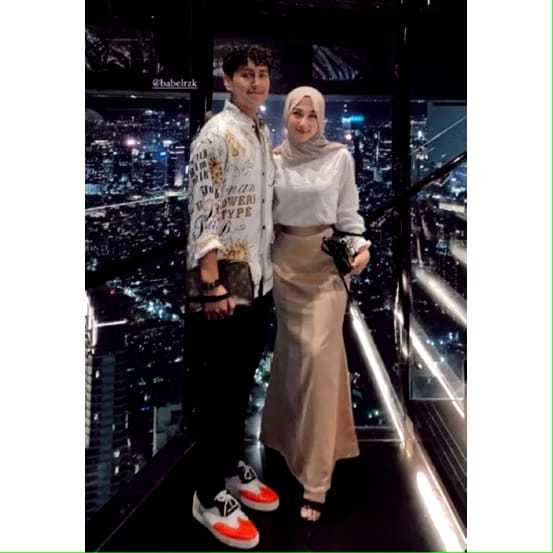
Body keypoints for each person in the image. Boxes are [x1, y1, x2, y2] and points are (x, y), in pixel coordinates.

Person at [260, 86, 371, 522]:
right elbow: (263, 218)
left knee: (319, 362)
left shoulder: (339, 158)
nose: (304, 122)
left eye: (311, 115)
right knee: (292, 359)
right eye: (296, 114)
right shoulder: (273, 159)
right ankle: (284, 442)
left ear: (322, 119)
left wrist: (361, 248)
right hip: (285, 266)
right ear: (286, 116)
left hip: (325, 268)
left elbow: (348, 215)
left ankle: (317, 478)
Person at [186, 45, 279, 549]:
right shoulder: (216, 134)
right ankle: (206, 496)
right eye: (246, 75)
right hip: (225, 287)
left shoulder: (260, 132)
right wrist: (212, 284)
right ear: (227, 81)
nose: (256, 82)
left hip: (257, 283)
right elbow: (204, 211)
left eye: (262, 74)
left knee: (238, 387)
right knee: (216, 395)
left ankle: (227, 469)